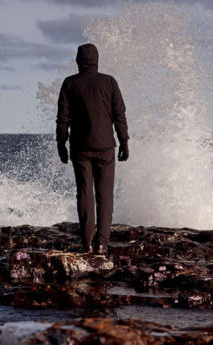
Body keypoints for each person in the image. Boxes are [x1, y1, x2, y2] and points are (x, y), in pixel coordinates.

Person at [56, 43, 129, 255]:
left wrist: (61, 144)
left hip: (80, 149)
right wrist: (124, 141)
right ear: (96, 60)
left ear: (78, 61)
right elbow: (119, 115)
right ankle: (102, 244)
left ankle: (86, 243)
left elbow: (63, 119)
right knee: (104, 196)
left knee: (84, 194)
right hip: (106, 147)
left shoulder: (70, 83)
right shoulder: (109, 82)